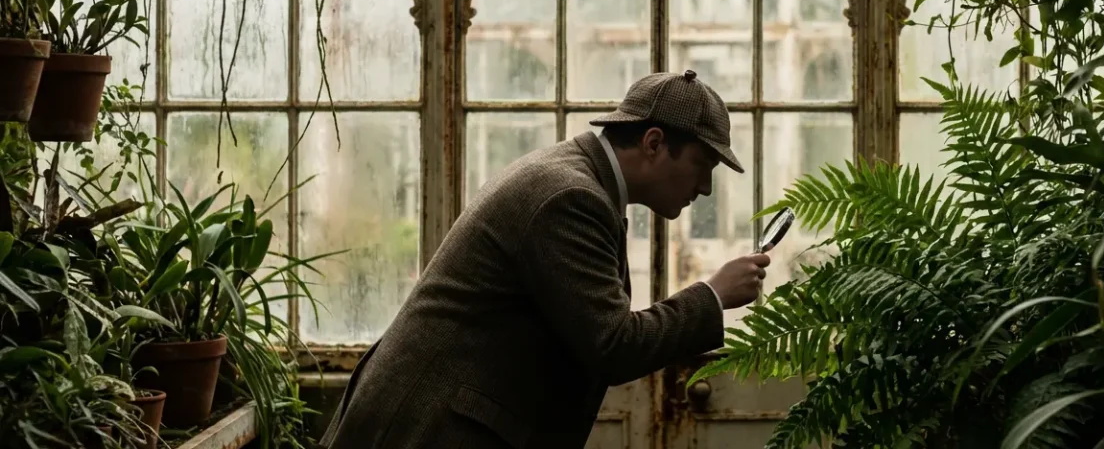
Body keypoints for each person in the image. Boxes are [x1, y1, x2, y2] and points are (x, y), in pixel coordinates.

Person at [319, 69, 771, 449]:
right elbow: (613, 347)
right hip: (429, 432)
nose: (706, 188)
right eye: (702, 165)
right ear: (654, 143)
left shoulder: (574, 178)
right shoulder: (571, 197)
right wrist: (713, 296)